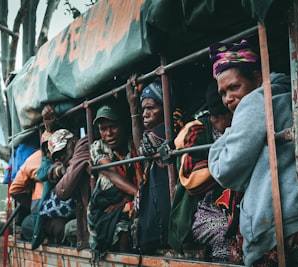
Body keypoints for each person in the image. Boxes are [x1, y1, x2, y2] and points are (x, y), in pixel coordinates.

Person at [207, 39, 298, 266]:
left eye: (234, 87)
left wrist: (228, 132)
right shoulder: (294, 97)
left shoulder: (255, 102)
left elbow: (225, 171)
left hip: (277, 226)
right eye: (223, 93)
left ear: (257, 78)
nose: (228, 99)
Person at [168, 81, 242, 263]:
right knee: (227, 236)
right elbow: (192, 181)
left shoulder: (240, 127)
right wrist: (231, 161)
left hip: (236, 206)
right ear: (219, 116)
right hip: (202, 209)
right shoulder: (196, 131)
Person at [126, 76, 176, 254]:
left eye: (151, 108)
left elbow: (141, 149)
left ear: (165, 108)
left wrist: (133, 111)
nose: (145, 113)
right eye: (142, 108)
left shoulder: (164, 130)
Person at [87, 104, 141, 258]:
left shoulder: (133, 144)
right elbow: (111, 173)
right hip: (105, 208)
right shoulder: (98, 147)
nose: (108, 133)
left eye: (113, 127)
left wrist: (131, 199)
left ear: (123, 126)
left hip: (128, 202)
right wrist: (137, 194)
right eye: (103, 129)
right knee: (122, 233)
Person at [37, 129, 78, 246]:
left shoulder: (81, 157)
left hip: (75, 213)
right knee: (61, 228)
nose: (62, 155)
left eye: (64, 150)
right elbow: (42, 174)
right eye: (57, 154)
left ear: (74, 142)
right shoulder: (57, 167)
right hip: (58, 215)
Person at [9, 130, 47, 241]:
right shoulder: (75, 152)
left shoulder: (33, 158)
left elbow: (15, 190)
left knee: (27, 225)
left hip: (38, 206)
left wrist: (29, 203)